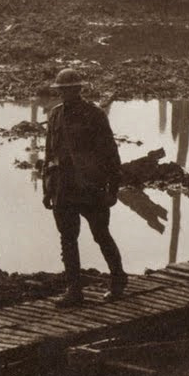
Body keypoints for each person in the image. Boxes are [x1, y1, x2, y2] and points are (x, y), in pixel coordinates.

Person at [43, 68, 127, 308]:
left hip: (90, 187)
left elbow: (110, 152)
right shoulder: (55, 115)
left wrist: (113, 188)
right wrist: (47, 189)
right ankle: (74, 290)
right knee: (67, 240)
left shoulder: (94, 114)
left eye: (69, 89)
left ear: (79, 90)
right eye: (61, 90)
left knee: (101, 235)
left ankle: (118, 281)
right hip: (63, 187)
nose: (64, 94)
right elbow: (49, 153)